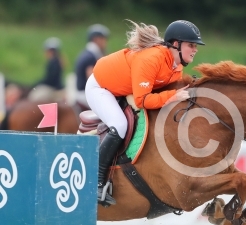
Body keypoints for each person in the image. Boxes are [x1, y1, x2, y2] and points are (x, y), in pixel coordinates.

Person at [86, 20, 205, 205]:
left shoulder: (177, 66)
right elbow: (143, 100)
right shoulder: (152, 58)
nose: (195, 49)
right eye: (191, 45)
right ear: (176, 44)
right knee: (120, 125)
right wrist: (173, 96)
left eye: (195, 45)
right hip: (100, 87)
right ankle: (96, 182)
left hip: (124, 89)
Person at [74, 24, 110, 109]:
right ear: (96, 39)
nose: (106, 42)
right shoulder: (91, 56)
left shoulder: (87, 53)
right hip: (85, 94)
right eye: (104, 39)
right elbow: (92, 78)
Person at [28, 37, 64, 102]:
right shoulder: (55, 61)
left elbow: (50, 79)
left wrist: (38, 83)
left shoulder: (54, 62)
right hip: (52, 87)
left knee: (35, 97)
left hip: (53, 88)